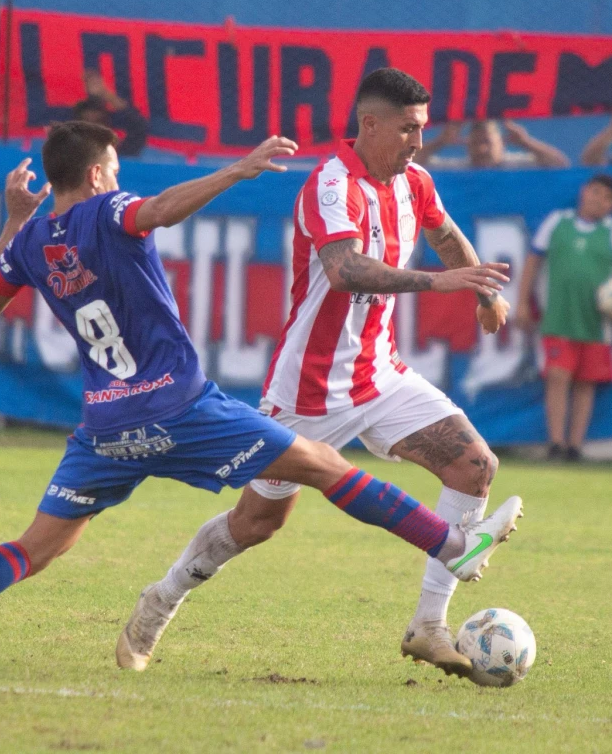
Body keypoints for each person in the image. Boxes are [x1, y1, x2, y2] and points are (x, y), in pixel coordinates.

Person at [0, 121, 524, 673]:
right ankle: (450, 545)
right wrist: (237, 169)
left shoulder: (31, 241)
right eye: (113, 167)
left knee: (36, 547)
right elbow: (160, 209)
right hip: (178, 407)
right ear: (94, 175)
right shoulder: (108, 209)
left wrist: (14, 222)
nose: (117, 177)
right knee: (325, 467)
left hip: (104, 428)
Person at [130, 67, 515, 681]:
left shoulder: (415, 181)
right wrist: (440, 283)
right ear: (369, 124)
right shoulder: (331, 186)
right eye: (408, 129)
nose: (418, 141)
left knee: (475, 466)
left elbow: (444, 233)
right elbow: (344, 269)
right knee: (257, 524)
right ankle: (163, 596)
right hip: (307, 391)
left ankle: (429, 626)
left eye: (423, 128)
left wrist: (482, 291)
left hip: (381, 376)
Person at [515, 174, 612, 461]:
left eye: (607, 198)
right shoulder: (558, 222)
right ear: (583, 192)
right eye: (596, 192)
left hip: (595, 322)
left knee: (586, 382)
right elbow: (533, 260)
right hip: (559, 316)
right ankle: (555, 442)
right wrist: (523, 302)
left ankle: (575, 445)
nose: (598, 200)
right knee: (558, 376)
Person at [415, 119, 570, 169]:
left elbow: (559, 164)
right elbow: (411, 165)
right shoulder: (458, 167)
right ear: (467, 144)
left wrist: (526, 143)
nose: (482, 149)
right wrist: (439, 142)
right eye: (476, 143)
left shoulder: (517, 165)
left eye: (487, 142)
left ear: (501, 142)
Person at [72, 68, 150, 158]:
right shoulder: (69, 157)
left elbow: (139, 126)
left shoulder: (120, 155)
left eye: (98, 122)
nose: (93, 129)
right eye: (87, 125)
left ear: (107, 126)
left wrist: (105, 93)